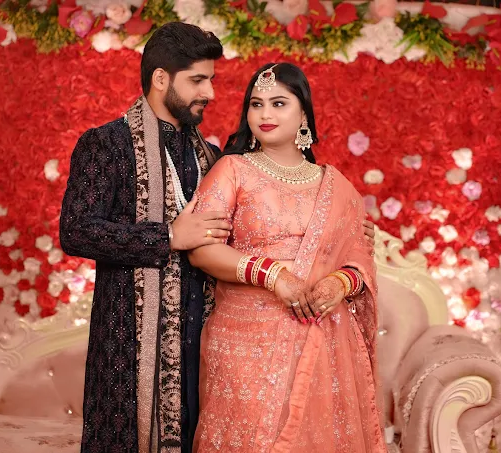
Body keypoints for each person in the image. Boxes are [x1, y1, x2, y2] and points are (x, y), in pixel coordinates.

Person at [188, 63, 387, 452]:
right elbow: (202, 249)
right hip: (244, 344)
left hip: (323, 335)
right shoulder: (232, 170)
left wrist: (339, 283)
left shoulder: (336, 186)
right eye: (256, 104)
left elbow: (359, 257)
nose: (265, 113)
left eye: (279, 103)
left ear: (304, 115)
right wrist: (273, 275)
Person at [60, 22, 231, 453]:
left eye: (210, 80)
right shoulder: (107, 144)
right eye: (198, 80)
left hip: (201, 336)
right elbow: (76, 230)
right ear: (160, 78)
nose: (209, 92)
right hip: (128, 345)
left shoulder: (210, 156)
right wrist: (168, 236)